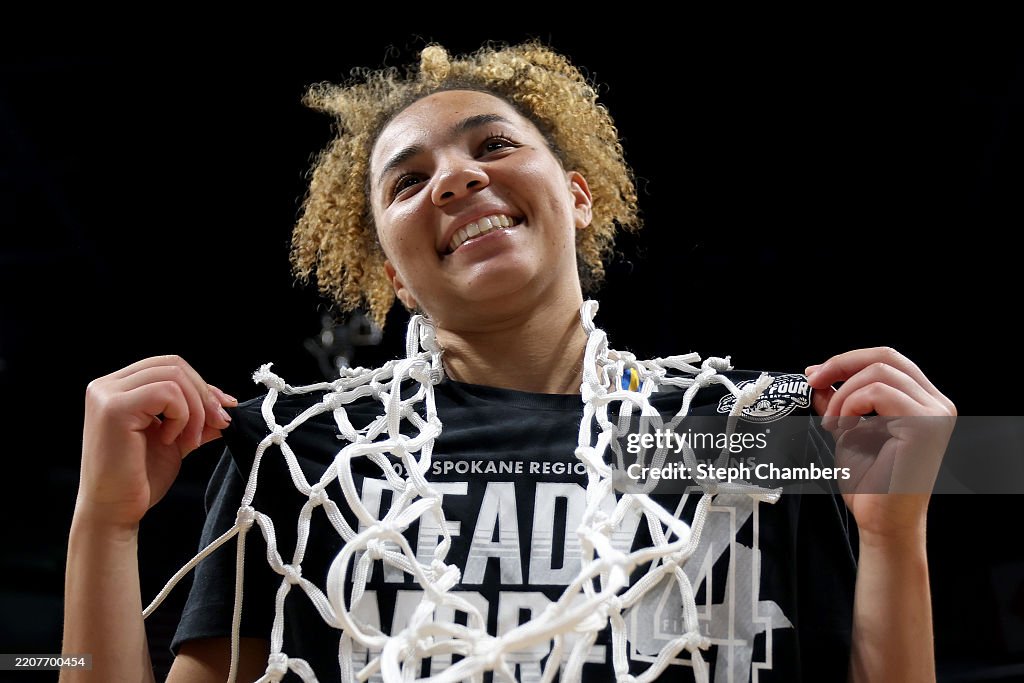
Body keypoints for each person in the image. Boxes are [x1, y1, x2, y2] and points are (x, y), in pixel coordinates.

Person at [61, 40, 956, 682]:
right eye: (408, 182)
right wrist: (102, 524)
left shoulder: (739, 438)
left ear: (577, 197)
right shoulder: (309, 451)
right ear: (392, 277)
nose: (456, 178)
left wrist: (897, 535)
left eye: (493, 146)